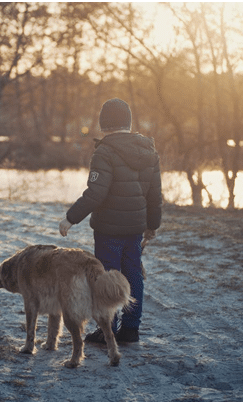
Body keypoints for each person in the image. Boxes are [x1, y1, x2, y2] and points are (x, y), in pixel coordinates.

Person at [58, 98, 162, 343]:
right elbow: (155, 194)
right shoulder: (149, 151)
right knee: (133, 275)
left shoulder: (104, 152)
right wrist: (152, 225)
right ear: (128, 122)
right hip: (135, 228)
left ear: (104, 123)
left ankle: (107, 331)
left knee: (106, 277)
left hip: (108, 230)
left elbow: (96, 193)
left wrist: (70, 218)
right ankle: (131, 329)